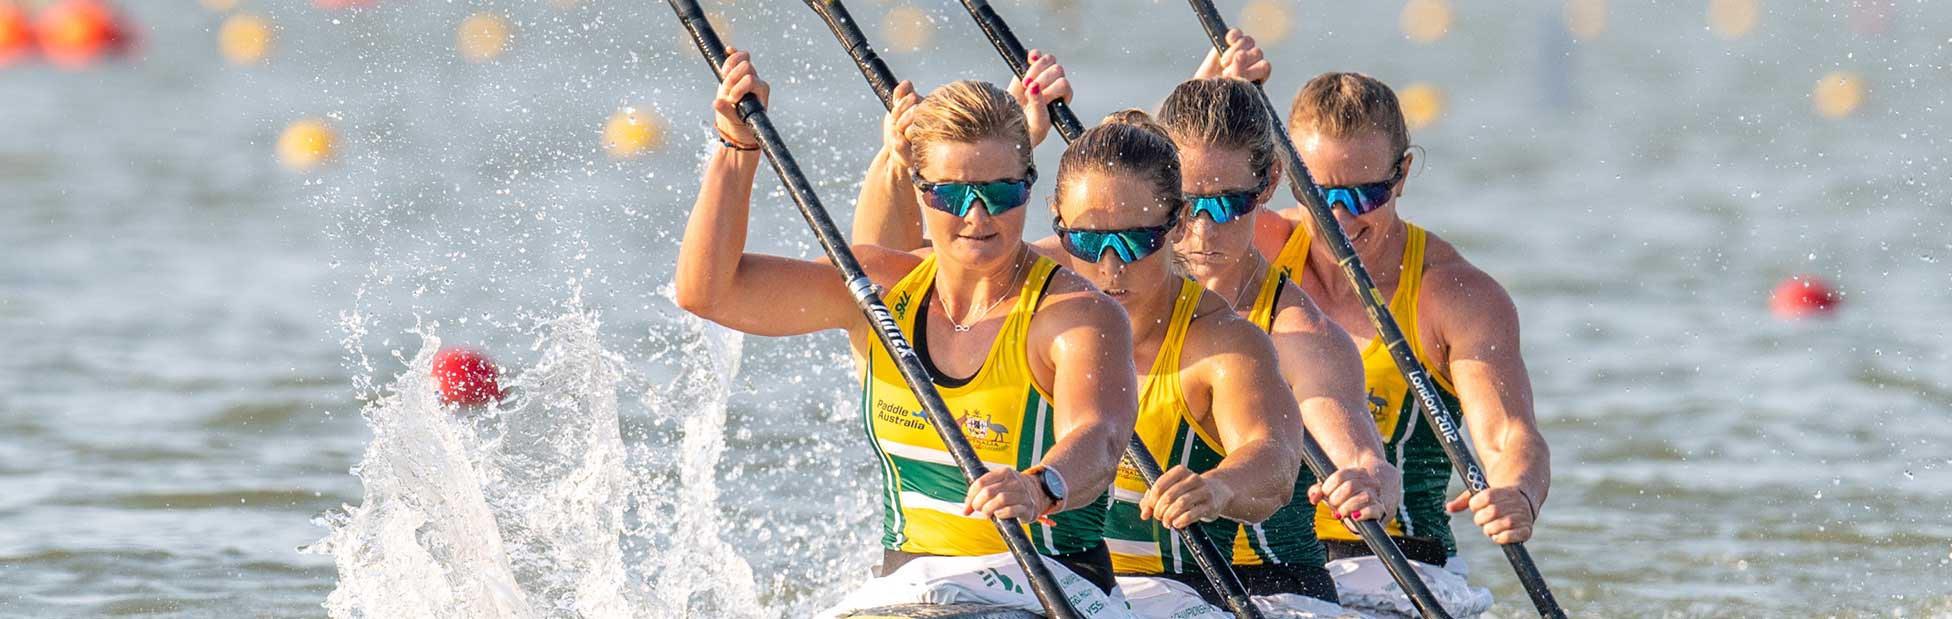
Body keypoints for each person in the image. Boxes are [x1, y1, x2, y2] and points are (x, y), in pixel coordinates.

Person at [849, 49, 1398, 614]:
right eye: (1092, 240)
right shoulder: (1074, 276)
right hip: (1103, 591)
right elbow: (891, 274)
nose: (1202, 230)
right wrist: (928, 159)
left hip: (1248, 589)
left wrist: (1358, 471)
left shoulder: (1285, 331)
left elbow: (1302, 445)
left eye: (1227, 203)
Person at [672, 50, 1140, 608]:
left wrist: (1039, 485)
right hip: (910, 590)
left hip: (1053, 585)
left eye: (1000, 192)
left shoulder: (1078, 315)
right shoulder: (879, 289)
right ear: (921, 189)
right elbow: (708, 292)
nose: (977, 215)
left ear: (1029, 187)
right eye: (952, 194)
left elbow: (1102, 436)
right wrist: (737, 147)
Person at [1255, 69, 1554, 579]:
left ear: (1403, 174)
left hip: (1403, 566)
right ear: (1285, 175)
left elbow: (1508, 435)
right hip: (1265, 573)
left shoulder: (1456, 295)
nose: (1340, 220)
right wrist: (1215, 83)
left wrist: (1517, 492)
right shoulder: (1252, 249)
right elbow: (1165, 204)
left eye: (1363, 196)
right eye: (1320, 194)